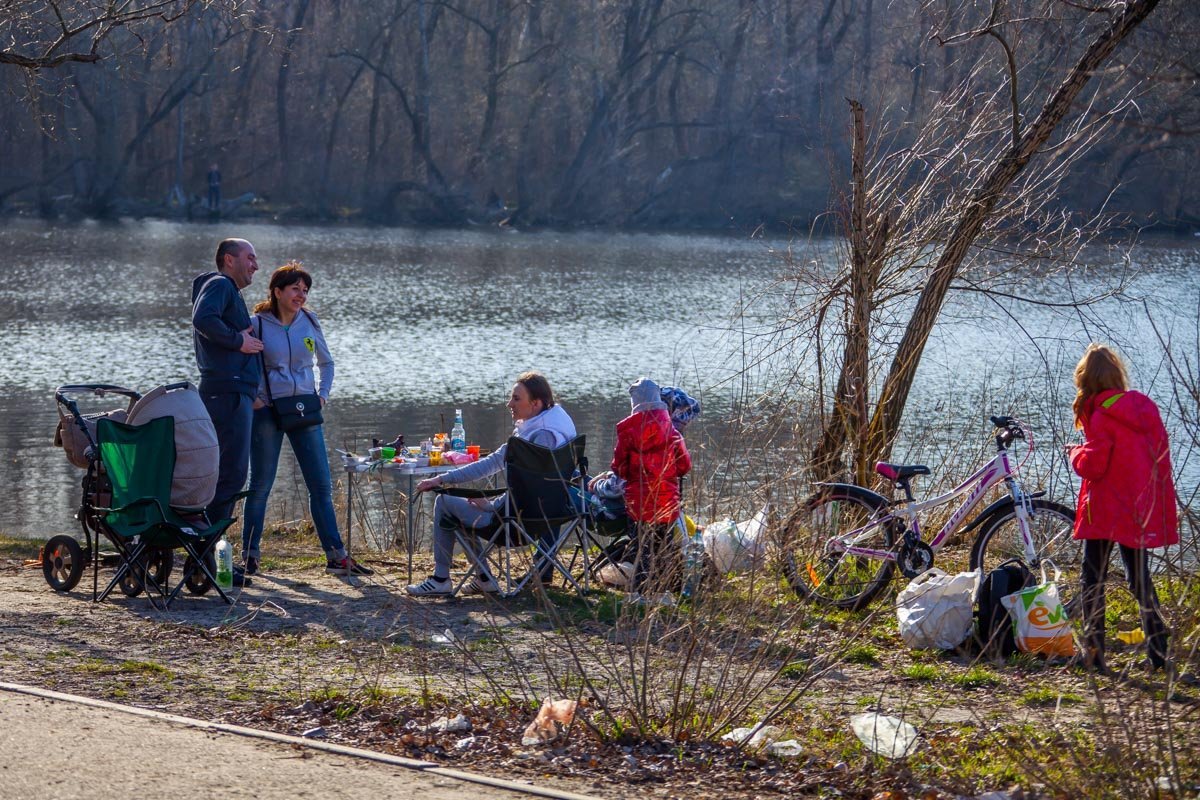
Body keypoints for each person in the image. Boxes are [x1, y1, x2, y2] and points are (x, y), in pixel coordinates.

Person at [242, 263, 371, 577]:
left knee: (321, 486)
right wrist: (255, 397)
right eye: (295, 289)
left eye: (305, 290)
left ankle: (336, 557)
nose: (301, 295)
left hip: (305, 410)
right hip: (268, 412)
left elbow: (327, 363)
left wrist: (322, 395)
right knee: (260, 486)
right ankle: (250, 557)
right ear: (277, 291)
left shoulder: (310, 322)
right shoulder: (256, 324)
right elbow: (241, 365)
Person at [405, 372, 576, 596]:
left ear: (535, 403)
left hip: (514, 524)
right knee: (459, 505)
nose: (509, 404)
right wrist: (443, 479)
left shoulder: (537, 439)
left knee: (445, 502)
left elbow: (524, 485)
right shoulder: (559, 429)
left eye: (516, 398)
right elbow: (525, 482)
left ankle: (441, 579)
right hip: (551, 518)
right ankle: (483, 578)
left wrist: (491, 505)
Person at [1066, 343, 1178, 675]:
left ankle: (1095, 654)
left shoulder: (1102, 415)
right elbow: (1159, 459)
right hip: (1139, 507)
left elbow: (1096, 465)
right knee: (1139, 578)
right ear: (1116, 375)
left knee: (1092, 578)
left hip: (1105, 507)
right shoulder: (1143, 409)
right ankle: (1158, 650)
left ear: (1086, 380)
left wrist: (1075, 454)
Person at [191, 238, 263, 586]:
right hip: (227, 394)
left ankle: (205, 557)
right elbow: (202, 319)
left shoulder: (226, 289)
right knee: (231, 476)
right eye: (250, 258)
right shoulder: (220, 284)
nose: (256, 265)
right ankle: (207, 557)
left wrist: (251, 388)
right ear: (229, 259)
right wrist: (239, 341)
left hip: (233, 392)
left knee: (227, 475)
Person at [604, 378, 692, 594]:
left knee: (643, 548)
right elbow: (684, 465)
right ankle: (664, 591)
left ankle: (641, 593)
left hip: (639, 502)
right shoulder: (672, 431)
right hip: (667, 502)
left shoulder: (627, 432)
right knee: (664, 546)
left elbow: (619, 468)